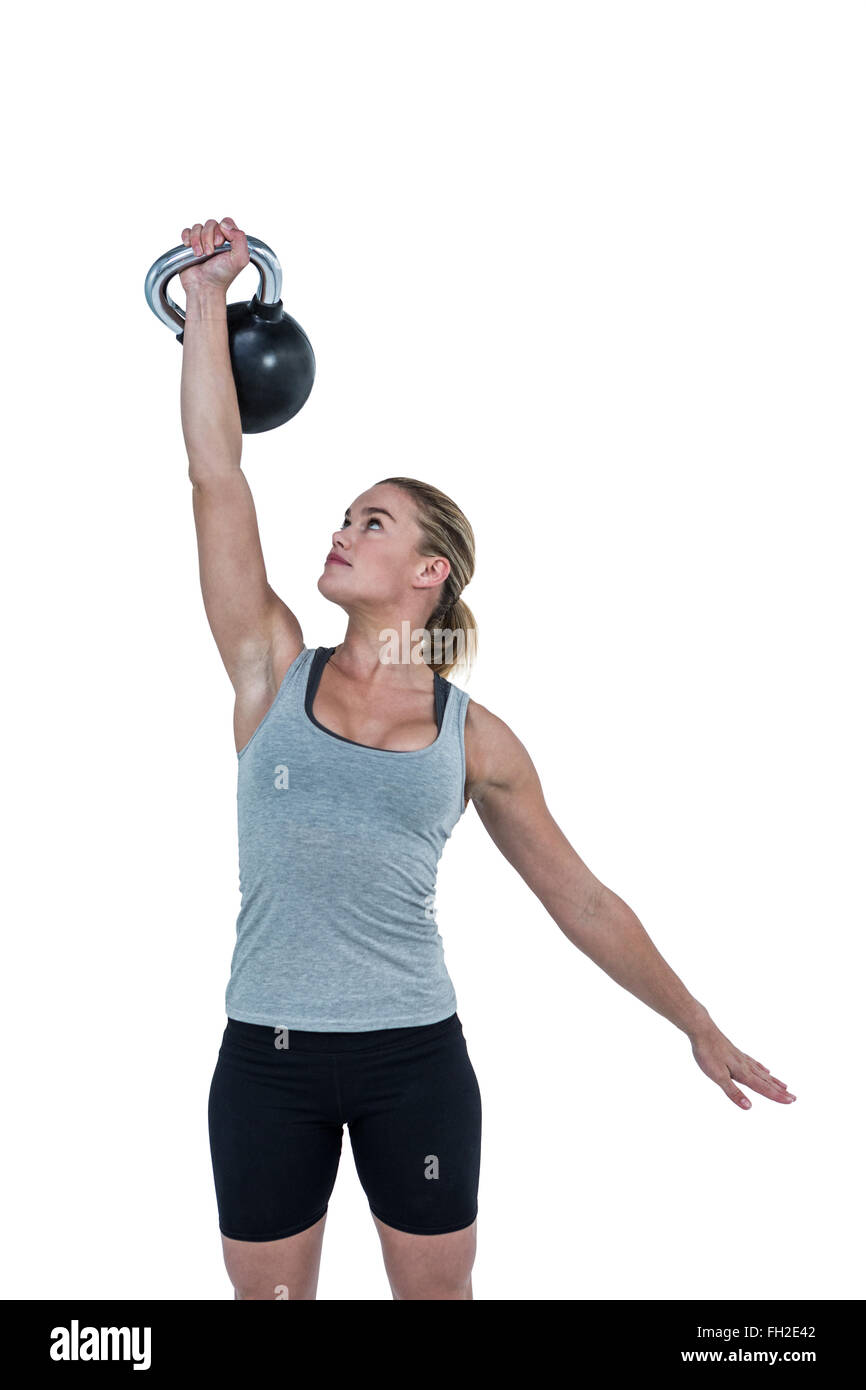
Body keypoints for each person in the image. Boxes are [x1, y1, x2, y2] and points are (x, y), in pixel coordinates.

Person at [178, 216, 797, 1301]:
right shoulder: (268, 667)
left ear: (426, 570)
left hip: (412, 1059)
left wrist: (696, 1023)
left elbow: (582, 900)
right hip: (264, 1057)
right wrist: (206, 306)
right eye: (341, 516)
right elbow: (214, 476)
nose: (340, 532)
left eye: (369, 523)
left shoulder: (479, 739)